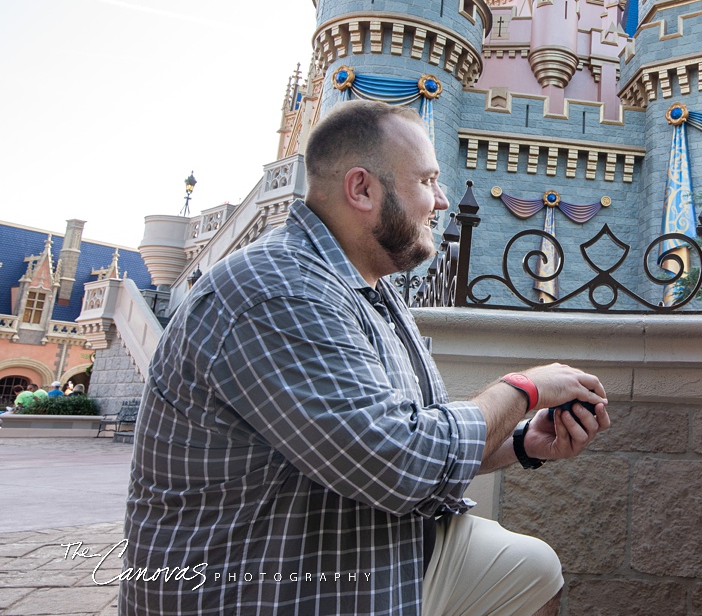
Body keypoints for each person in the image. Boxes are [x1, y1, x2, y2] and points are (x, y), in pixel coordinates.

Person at [124, 100, 611, 616]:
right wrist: (523, 389)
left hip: (368, 538)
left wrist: (521, 442)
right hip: (266, 580)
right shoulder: (278, 293)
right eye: (427, 180)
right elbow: (401, 462)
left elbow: (422, 435)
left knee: (532, 570)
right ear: (362, 189)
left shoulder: (367, 288)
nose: (442, 200)